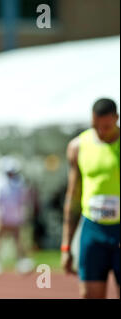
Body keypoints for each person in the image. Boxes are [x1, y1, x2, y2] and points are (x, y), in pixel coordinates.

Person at [61, 98, 120, 299]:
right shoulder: (78, 146)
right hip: (93, 230)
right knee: (89, 295)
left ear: (117, 119)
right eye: (96, 126)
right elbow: (73, 196)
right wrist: (66, 246)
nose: (101, 132)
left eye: (107, 126)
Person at [0, 156, 34, 276]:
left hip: (15, 217)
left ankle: (21, 262)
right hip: (0, 217)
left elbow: (23, 199)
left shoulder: (19, 181)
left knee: (19, 240)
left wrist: (22, 214)